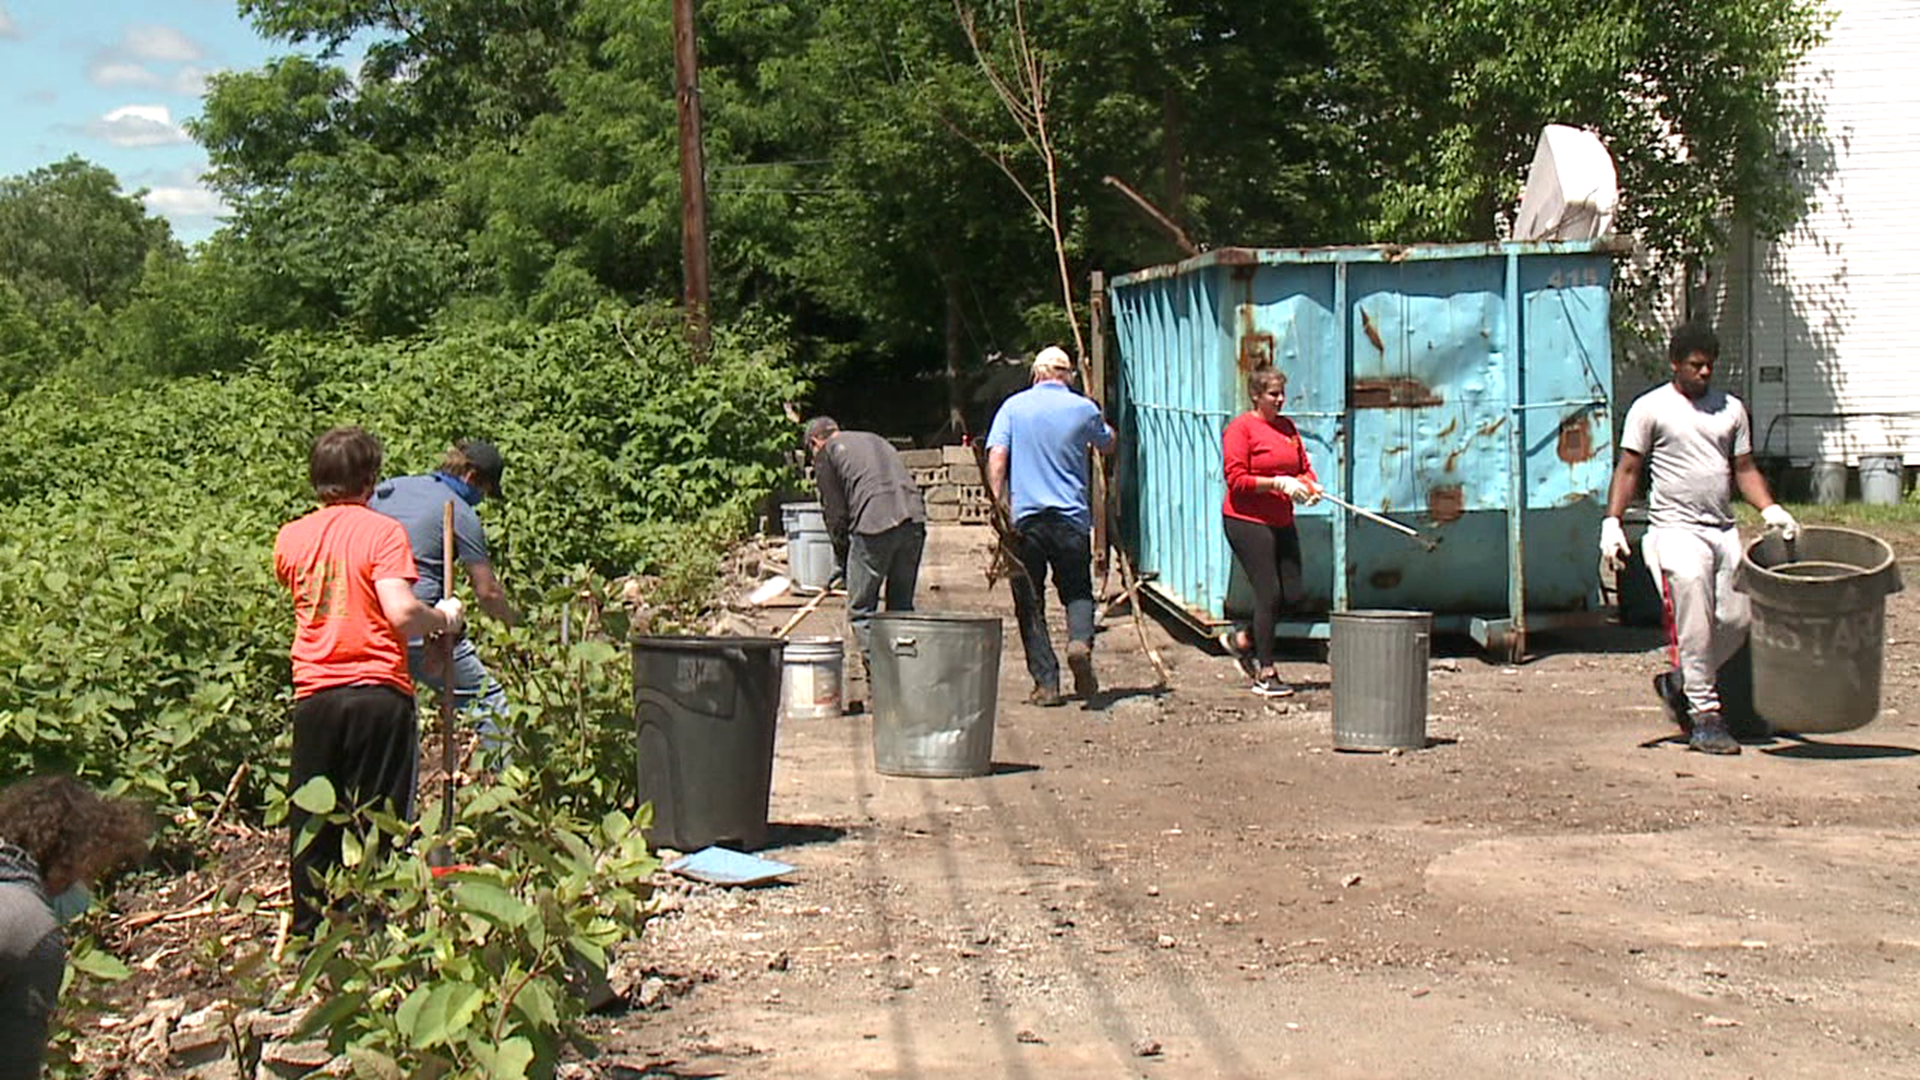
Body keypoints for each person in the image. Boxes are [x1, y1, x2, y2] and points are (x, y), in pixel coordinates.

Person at [276, 426, 465, 935]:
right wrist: (444, 618)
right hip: (376, 689)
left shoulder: (290, 538)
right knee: (376, 815)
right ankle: (373, 928)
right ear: (370, 478)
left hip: (315, 692)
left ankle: (311, 929)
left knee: (314, 819)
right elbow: (401, 613)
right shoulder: (382, 533)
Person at [1601, 323, 1798, 755]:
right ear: (1676, 364)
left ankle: (1680, 682)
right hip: (1674, 531)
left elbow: (1743, 468)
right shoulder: (1650, 408)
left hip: (1721, 529)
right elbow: (1630, 467)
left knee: (1737, 619)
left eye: (1711, 365)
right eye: (1696, 365)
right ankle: (1705, 715)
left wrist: (1770, 509)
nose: (1705, 372)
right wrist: (1612, 522)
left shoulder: (1731, 410)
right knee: (1693, 609)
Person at [986, 345, 1117, 706]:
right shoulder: (1082, 408)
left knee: (1029, 600)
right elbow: (1108, 444)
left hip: (1025, 523)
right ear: (1067, 375)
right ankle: (1079, 641)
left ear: (1036, 374)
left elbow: (998, 458)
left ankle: (1046, 683)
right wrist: (1096, 423)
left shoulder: (1013, 407)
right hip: (1071, 519)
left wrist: (998, 504)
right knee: (1076, 590)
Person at [370, 440, 519, 749]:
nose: (481, 500)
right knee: (489, 702)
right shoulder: (460, 512)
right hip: (420, 626)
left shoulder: (392, 489)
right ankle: (511, 788)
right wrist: (516, 631)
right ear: (472, 478)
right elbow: (487, 592)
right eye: (485, 492)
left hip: (372, 625)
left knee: (391, 707)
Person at [0, 775, 151, 1080]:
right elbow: (14, 1065)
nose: (89, 882)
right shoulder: (33, 930)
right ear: (69, 862)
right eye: (91, 870)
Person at [1219, 366, 1323, 698]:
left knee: (1293, 595)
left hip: (1281, 518)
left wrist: (1309, 485)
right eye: (1272, 394)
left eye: (1281, 393)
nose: (1280, 400)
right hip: (1246, 519)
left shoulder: (1287, 428)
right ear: (1256, 396)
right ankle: (1266, 672)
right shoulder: (1241, 429)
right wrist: (1277, 482)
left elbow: (1303, 467)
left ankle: (1243, 639)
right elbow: (1236, 479)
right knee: (1269, 593)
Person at [805, 417, 927, 663]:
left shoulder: (826, 454)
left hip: (874, 524)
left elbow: (836, 515)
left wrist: (843, 562)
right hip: (914, 520)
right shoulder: (874, 439)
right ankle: (907, 674)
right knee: (901, 609)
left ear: (814, 442)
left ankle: (882, 677)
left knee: (861, 611)